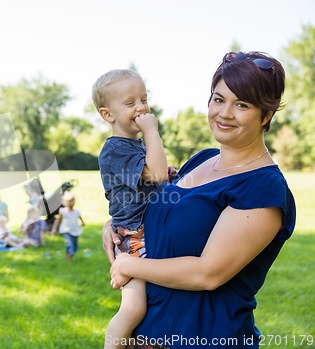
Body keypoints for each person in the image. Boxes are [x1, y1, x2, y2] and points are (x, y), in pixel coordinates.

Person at [105, 51, 296, 349]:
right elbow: (158, 210)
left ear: (266, 116)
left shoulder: (262, 186)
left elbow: (208, 274)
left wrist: (130, 266)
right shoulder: (201, 160)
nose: (225, 113)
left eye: (242, 104)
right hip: (146, 337)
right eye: (219, 99)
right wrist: (114, 225)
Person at [93, 68, 168, 349]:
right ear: (107, 115)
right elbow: (157, 174)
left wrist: (166, 172)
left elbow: (158, 176)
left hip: (146, 232)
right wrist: (152, 130)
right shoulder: (116, 150)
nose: (141, 107)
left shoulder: (133, 147)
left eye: (144, 99)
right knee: (134, 307)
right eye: (130, 103)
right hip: (133, 236)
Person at [51, 192, 85, 261]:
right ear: (64, 202)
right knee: (69, 244)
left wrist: (82, 223)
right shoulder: (63, 211)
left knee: (75, 247)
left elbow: (79, 218)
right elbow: (57, 220)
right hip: (66, 230)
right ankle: (68, 260)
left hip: (75, 230)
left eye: (71, 201)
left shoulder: (77, 211)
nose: (70, 203)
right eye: (68, 201)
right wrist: (54, 229)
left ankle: (71, 254)